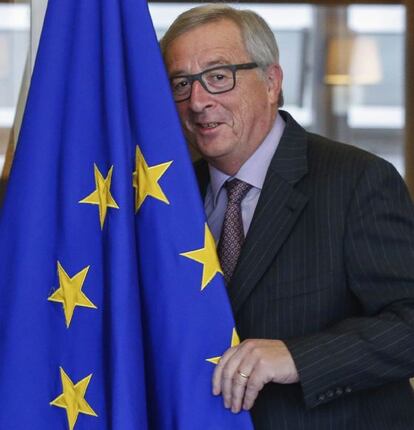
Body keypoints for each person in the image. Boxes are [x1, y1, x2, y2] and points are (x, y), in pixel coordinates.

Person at [160, 4, 414, 429]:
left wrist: (297, 357)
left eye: (218, 77)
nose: (198, 101)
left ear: (272, 82)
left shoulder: (357, 180)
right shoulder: (167, 196)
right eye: (181, 83)